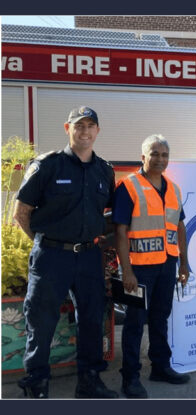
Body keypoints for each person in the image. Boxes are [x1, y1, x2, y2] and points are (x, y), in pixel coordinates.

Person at [13, 106, 117, 399]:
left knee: (92, 318)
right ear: (67, 129)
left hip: (87, 256)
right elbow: (21, 213)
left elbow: (104, 212)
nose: (84, 131)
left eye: (90, 126)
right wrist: (45, 243)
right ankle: (37, 384)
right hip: (51, 256)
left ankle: (89, 382)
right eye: (78, 126)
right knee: (41, 319)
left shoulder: (104, 171)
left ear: (98, 131)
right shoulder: (48, 166)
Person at [113, 134, 191, 398]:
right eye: (154, 154)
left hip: (167, 265)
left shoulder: (174, 188)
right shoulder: (128, 186)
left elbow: (180, 227)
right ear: (143, 156)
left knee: (160, 318)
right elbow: (120, 231)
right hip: (138, 268)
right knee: (134, 323)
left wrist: (184, 263)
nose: (160, 159)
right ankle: (130, 377)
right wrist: (127, 271)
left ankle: (160, 366)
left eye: (164, 155)